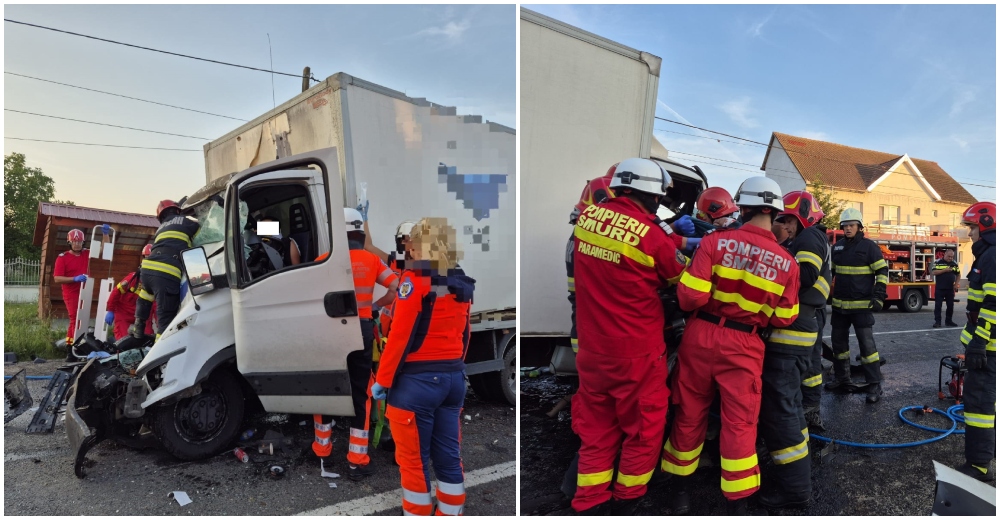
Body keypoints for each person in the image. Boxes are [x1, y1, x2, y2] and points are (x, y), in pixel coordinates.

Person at [662, 176, 800, 516]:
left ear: (744, 205)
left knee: (690, 413)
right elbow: (785, 317)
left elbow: (690, 296)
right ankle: (738, 502)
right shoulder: (788, 262)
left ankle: (679, 492)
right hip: (744, 344)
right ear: (776, 213)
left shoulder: (716, 242)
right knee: (740, 422)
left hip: (701, 334)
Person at [570, 158, 688, 515]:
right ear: (652, 196)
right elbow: (679, 280)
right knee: (644, 428)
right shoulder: (652, 235)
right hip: (637, 351)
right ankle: (628, 499)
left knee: (597, 428)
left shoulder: (586, 222)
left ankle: (589, 501)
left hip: (592, 348)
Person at [370, 217, 476, 516]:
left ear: (417, 247)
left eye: (411, 245)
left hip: (417, 384)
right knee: (448, 457)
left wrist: (383, 380)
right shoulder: (461, 281)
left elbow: (400, 336)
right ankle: (449, 513)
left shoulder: (413, 280)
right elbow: (466, 333)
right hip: (453, 379)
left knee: (414, 461)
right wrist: (456, 367)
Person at [312, 208, 399, 480]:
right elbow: (395, 289)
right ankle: (357, 459)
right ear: (360, 232)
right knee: (360, 395)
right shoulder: (372, 260)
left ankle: (322, 451)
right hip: (360, 331)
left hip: (330, 333)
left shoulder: (322, 261)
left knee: (326, 391)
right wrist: (373, 306)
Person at [757, 190, 831, 508]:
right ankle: (793, 476)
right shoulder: (799, 241)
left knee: (782, 411)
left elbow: (805, 275)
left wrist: (763, 268)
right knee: (788, 407)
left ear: (796, 220)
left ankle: (794, 491)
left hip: (792, 334)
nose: (778, 226)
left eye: (783, 220)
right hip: (795, 331)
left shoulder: (810, 237)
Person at [825, 208, 888, 403]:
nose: (848, 228)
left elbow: (882, 272)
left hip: (862, 307)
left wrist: (879, 296)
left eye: (851, 225)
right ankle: (842, 378)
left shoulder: (870, 247)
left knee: (867, 347)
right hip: (839, 308)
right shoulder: (837, 247)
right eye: (845, 225)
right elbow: (831, 275)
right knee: (839, 346)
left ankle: (874, 385)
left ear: (860, 226)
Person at [956, 201, 995, 481]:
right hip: (985, 346)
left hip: (988, 349)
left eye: (971, 228)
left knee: (979, 405)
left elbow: (993, 304)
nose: (968, 234)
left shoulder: (992, 257)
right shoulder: (987, 255)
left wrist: (979, 344)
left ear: (985, 226)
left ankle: (979, 467)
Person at [132, 200, 200, 341]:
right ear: (177, 211)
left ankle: (138, 326)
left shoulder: (161, 228)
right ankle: (161, 354)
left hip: (147, 269)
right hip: (166, 272)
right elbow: (207, 233)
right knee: (165, 319)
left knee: (146, 296)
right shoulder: (187, 221)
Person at [53, 226, 107, 349]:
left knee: (83, 319)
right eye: (74, 242)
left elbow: (103, 250)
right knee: (75, 319)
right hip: (71, 293)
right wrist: (74, 279)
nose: (77, 244)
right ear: (69, 242)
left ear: (83, 242)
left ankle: (80, 346)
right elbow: (57, 278)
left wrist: (105, 235)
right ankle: (70, 347)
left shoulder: (86, 253)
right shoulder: (62, 258)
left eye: (79, 242)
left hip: (85, 291)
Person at [105, 244, 156, 341]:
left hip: (143, 315)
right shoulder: (132, 278)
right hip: (124, 313)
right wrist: (110, 310)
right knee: (123, 341)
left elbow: (155, 305)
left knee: (148, 340)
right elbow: (116, 292)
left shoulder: (156, 281)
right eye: (147, 258)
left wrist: (160, 323)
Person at [931, 249, 960, 328]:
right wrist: (945, 270)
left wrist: (956, 284)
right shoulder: (938, 262)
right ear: (944, 254)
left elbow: (958, 275)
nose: (950, 258)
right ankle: (938, 322)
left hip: (950, 288)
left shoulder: (954, 264)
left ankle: (949, 321)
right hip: (940, 288)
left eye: (952, 257)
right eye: (949, 256)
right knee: (938, 306)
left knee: (950, 305)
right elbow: (934, 272)